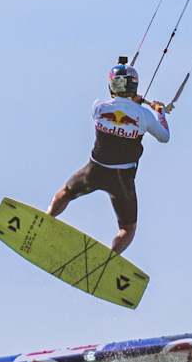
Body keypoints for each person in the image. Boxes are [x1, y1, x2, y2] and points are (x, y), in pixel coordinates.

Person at [47, 59, 170, 254]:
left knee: (66, 192)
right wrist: (160, 113)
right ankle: (108, 260)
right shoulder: (144, 115)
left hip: (94, 171)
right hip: (122, 180)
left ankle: (46, 220)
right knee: (127, 229)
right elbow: (164, 137)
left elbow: (119, 105)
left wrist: (131, 101)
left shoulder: (98, 107)